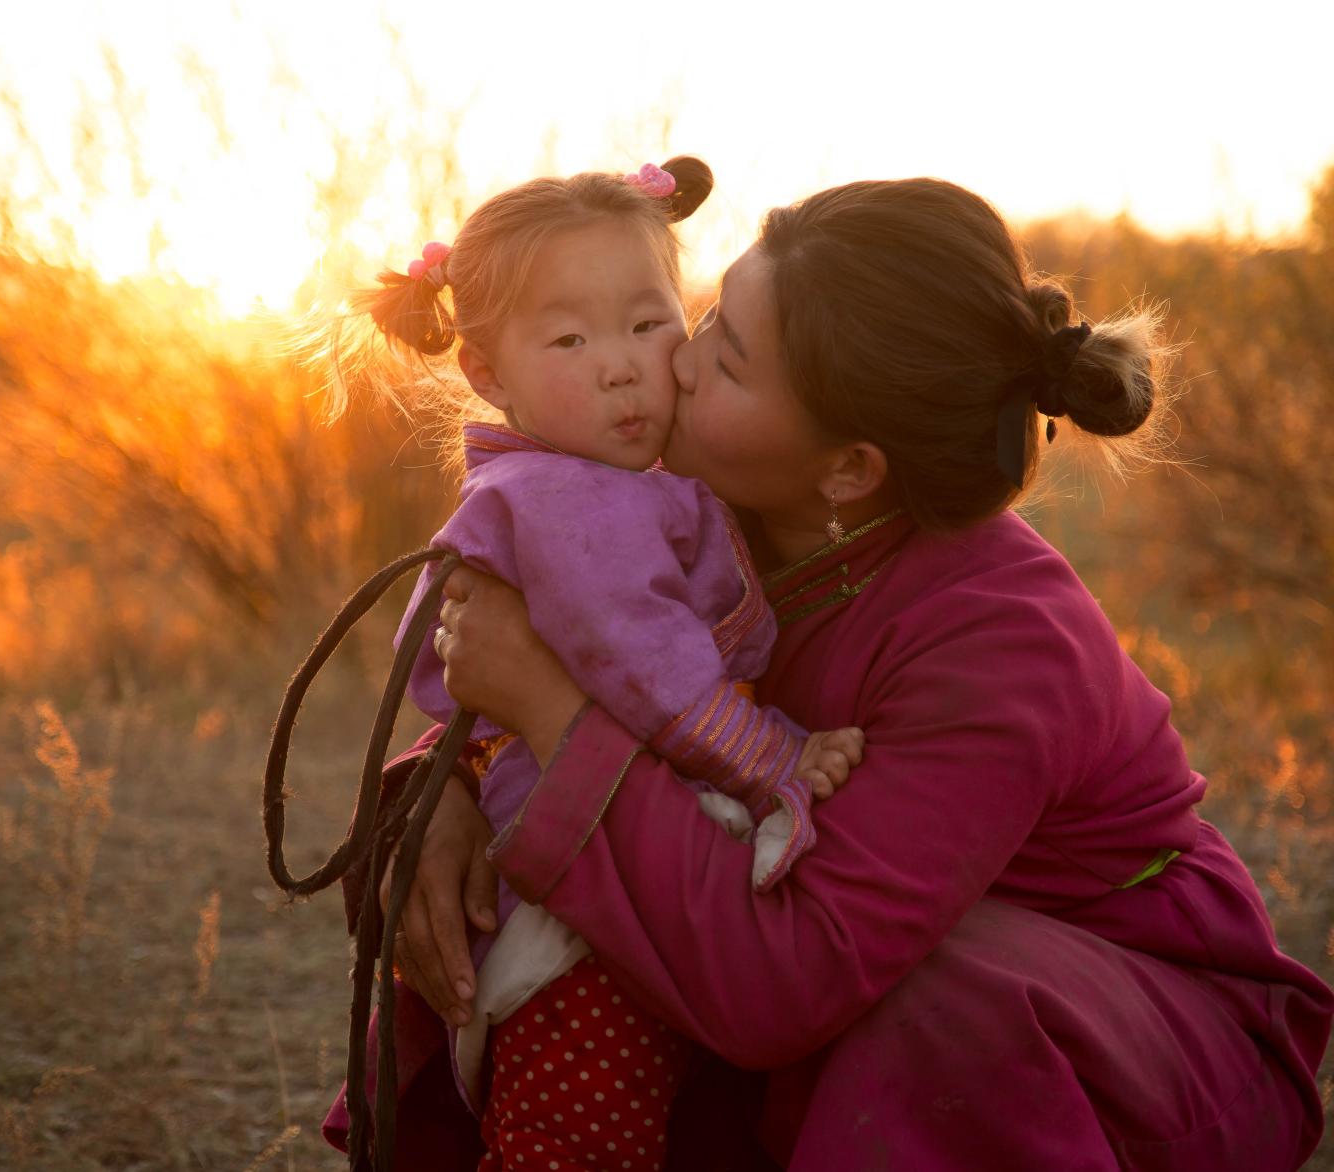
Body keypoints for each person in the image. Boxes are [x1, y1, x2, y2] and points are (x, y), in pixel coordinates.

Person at [368, 177, 1334, 1170]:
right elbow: (606, 658)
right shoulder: (693, 502)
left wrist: (548, 714)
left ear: (847, 470)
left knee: (926, 999)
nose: (679, 365)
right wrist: (450, 786)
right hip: (848, 989)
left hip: (1115, 1028)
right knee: (536, 933)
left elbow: (788, 978)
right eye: (703, 319)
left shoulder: (1002, 643)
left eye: (729, 363)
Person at [321, 157, 862, 1171]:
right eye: (569, 339)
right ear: (488, 372)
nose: (620, 363)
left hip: (607, 850)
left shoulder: (604, 479)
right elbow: (648, 665)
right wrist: (773, 754)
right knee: (577, 1137)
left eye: (649, 322)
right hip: (578, 902)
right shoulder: (573, 502)